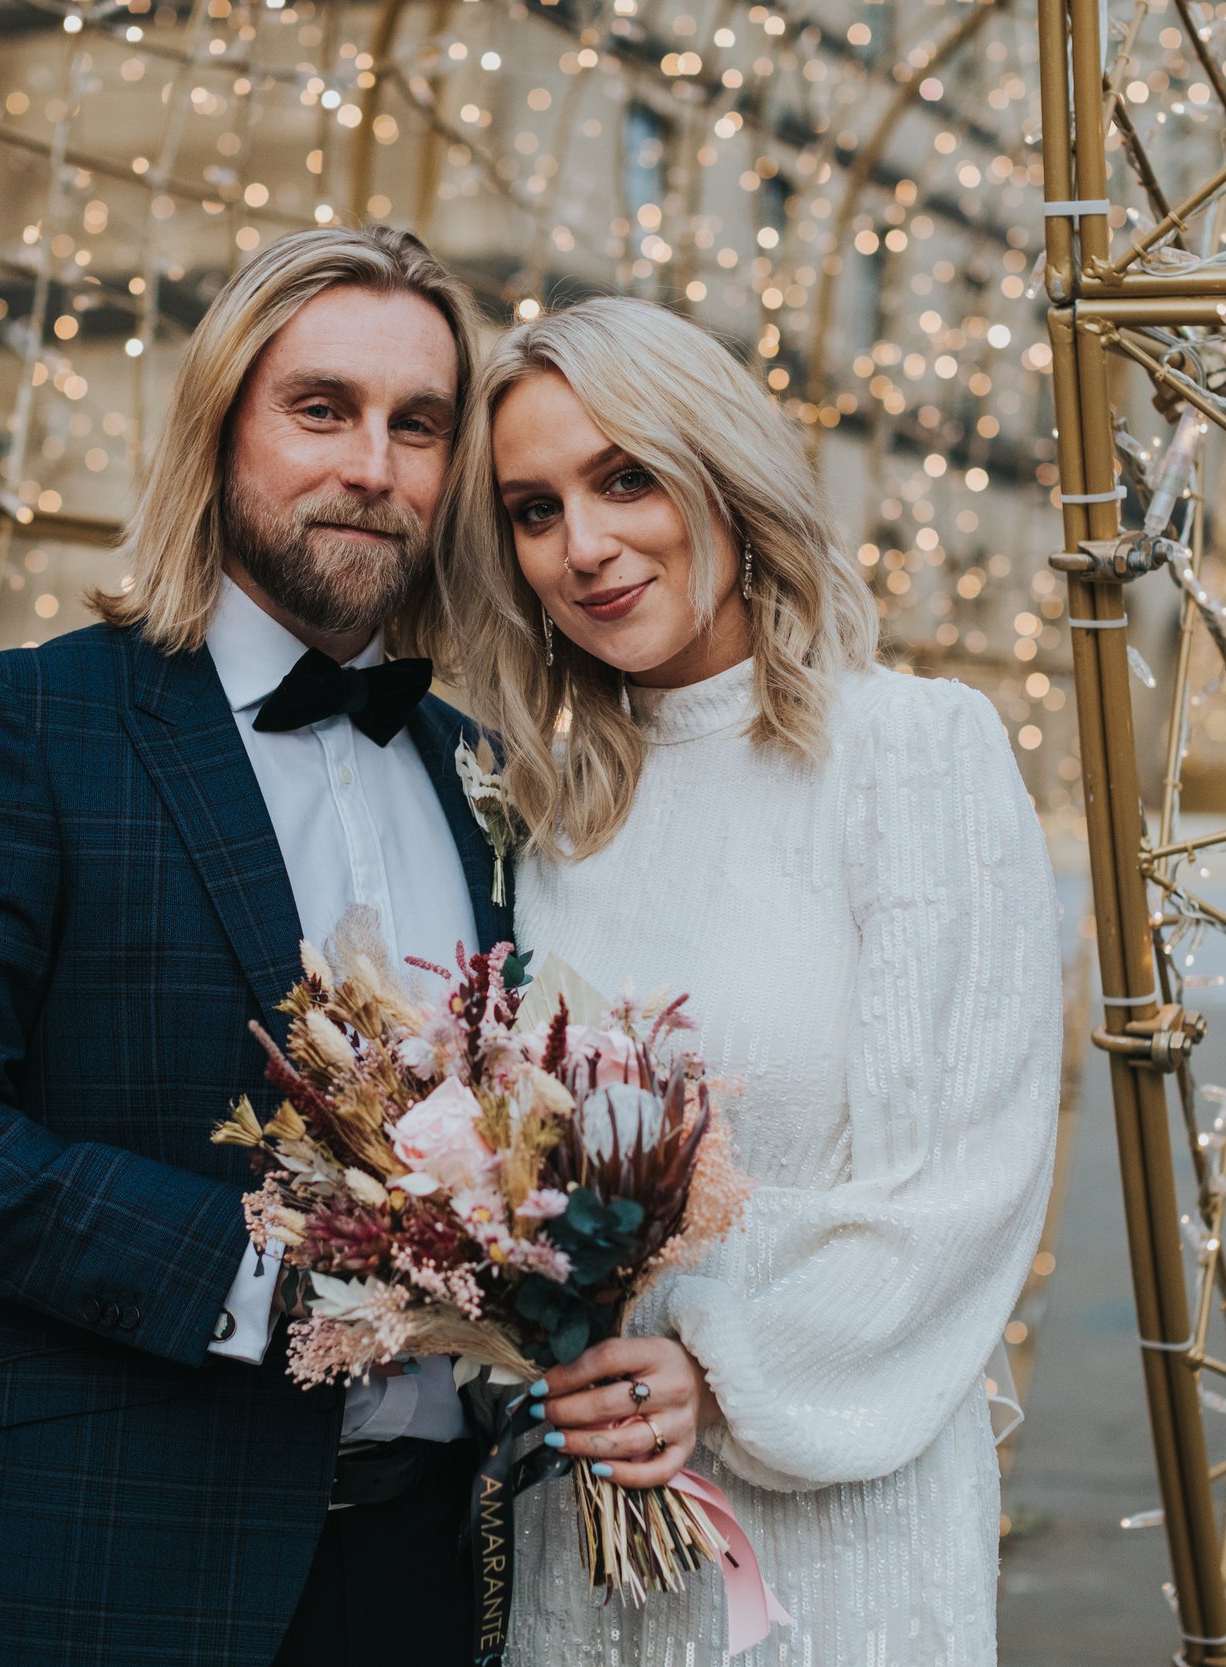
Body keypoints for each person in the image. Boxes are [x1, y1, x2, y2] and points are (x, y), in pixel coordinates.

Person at [0, 225, 511, 1667]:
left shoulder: (487, 775)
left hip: (442, 1577)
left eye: (420, 426)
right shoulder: (30, 720)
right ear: (222, 429)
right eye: (322, 409)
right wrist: (265, 1278)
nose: (373, 466)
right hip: (107, 1564)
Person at [449, 296, 1059, 1666]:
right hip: (585, 1520)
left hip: (832, 1515)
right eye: (534, 511)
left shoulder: (911, 754)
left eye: (626, 480)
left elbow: (965, 1185)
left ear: (723, 477)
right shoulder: (550, 812)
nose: (583, 548)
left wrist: (721, 1376)